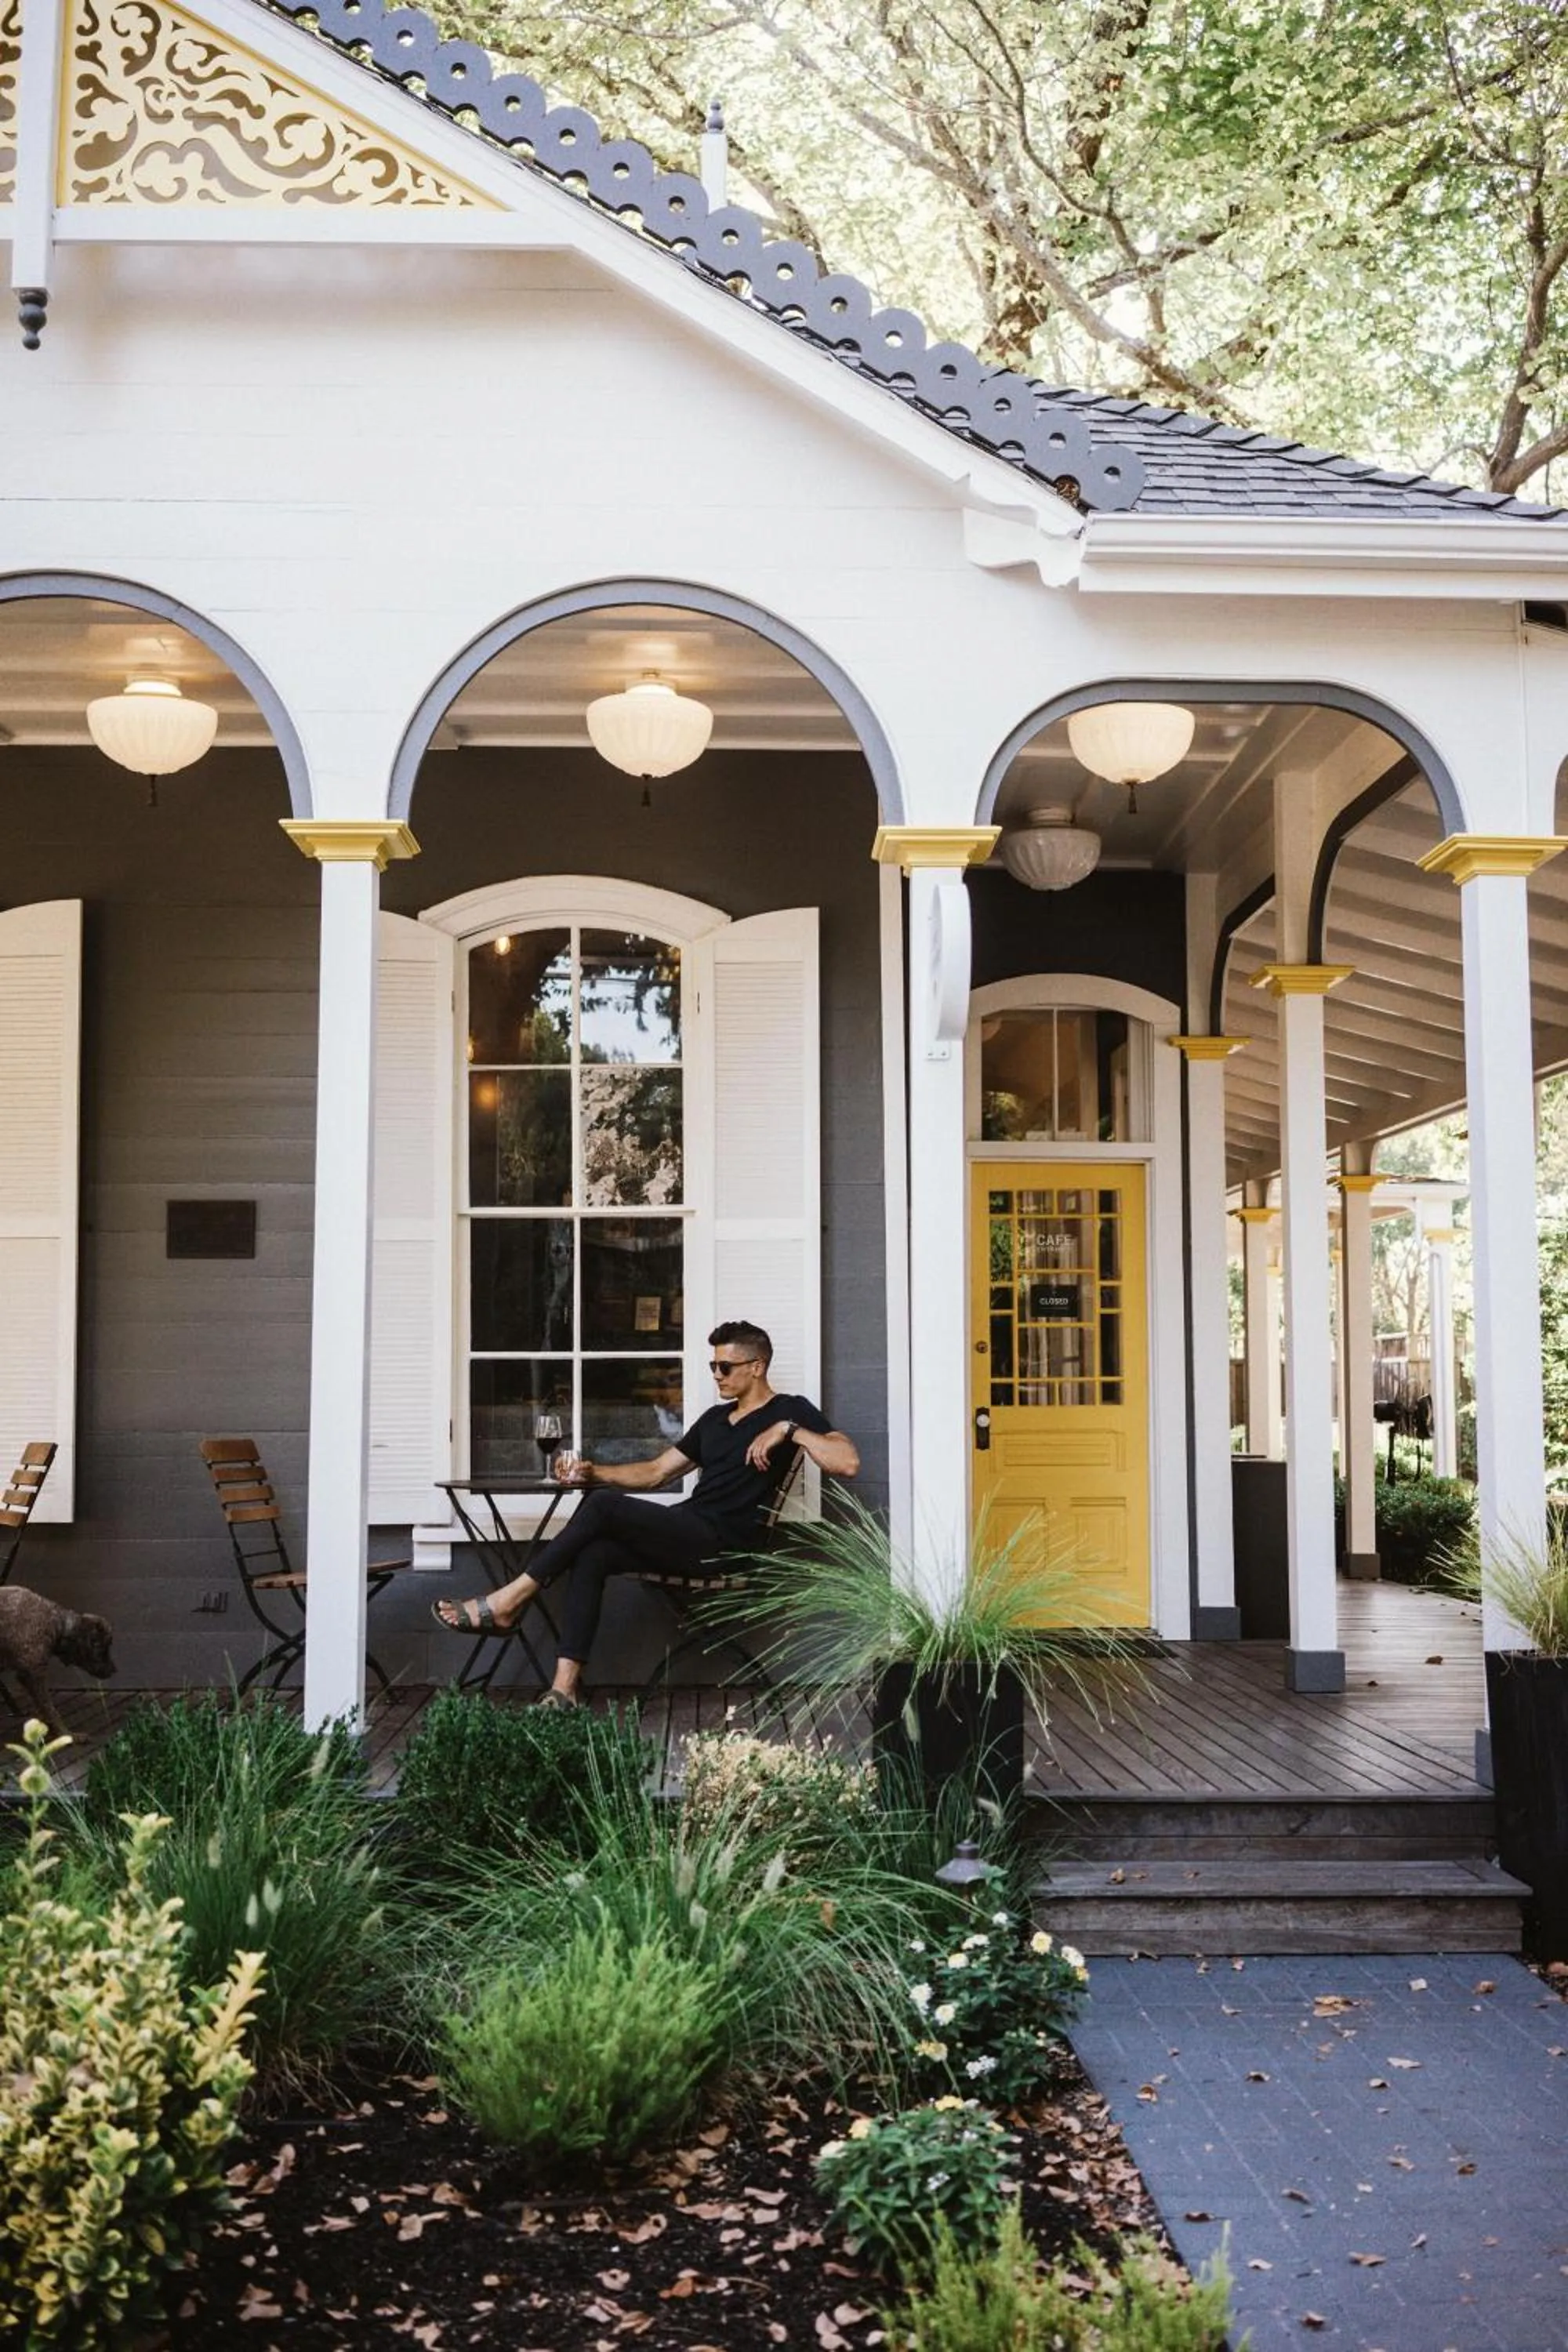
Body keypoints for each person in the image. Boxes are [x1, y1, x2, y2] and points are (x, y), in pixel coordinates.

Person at [431, 1320, 859, 1707]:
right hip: (691, 1532)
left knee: (601, 1505)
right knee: (595, 1551)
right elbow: (656, 1472)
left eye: (724, 1368)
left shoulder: (790, 1410)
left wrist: (789, 1431)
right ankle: (563, 1690)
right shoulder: (714, 1419)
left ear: (757, 1366)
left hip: (730, 1547)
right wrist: (593, 1471)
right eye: (713, 1367)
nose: (716, 1376)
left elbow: (847, 1462)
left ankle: (508, 1600)